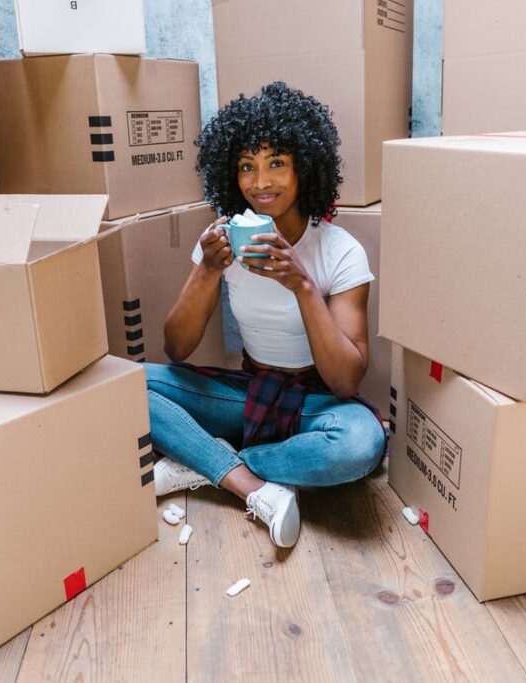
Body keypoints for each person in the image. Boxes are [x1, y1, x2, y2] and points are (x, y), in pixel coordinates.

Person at [144, 82, 386, 549]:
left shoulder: (340, 251)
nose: (260, 183)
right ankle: (249, 485)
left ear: (305, 169)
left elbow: (346, 382)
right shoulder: (221, 242)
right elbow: (176, 348)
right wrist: (209, 269)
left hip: (317, 405)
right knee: (130, 385)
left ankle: (210, 459)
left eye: (276, 163)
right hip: (249, 394)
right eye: (246, 167)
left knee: (361, 445)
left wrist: (301, 284)